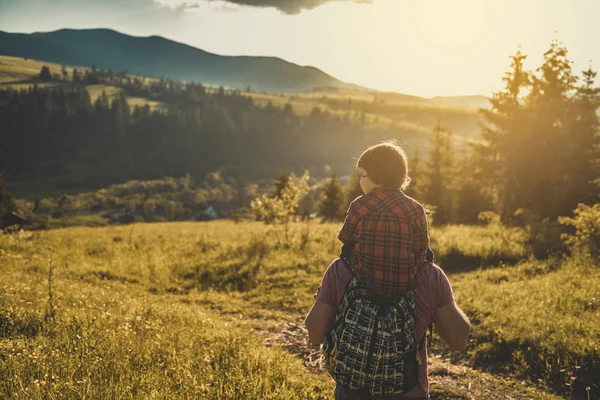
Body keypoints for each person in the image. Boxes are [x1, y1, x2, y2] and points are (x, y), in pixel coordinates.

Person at [305, 258, 471, 399]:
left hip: (351, 391)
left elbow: (315, 333)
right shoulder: (430, 274)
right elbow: (458, 339)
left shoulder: (341, 268)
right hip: (409, 392)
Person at [338, 141, 429, 300]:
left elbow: (345, 237)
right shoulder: (416, 209)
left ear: (375, 176)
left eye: (362, 175)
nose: (360, 181)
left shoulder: (359, 205)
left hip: (364, 281)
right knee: (428, 252)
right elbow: (421, 246)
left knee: (346, 249)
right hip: (405, 284)